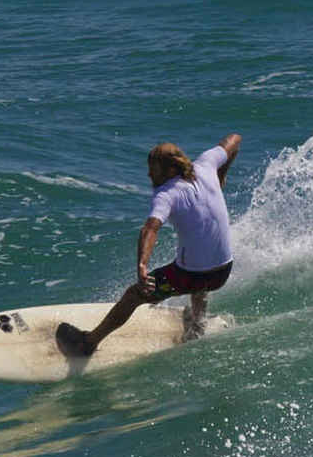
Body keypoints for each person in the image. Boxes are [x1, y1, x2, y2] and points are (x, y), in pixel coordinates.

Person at [56, 134, 242, 358]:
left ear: (170, 170)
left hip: (191, 277)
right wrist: (221, 174)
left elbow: (150, 229)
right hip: (223, 271)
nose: (148, 174)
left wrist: (142, 266)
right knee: (196, 268)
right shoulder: (207, 164)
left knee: (134, 295)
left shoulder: (166, 194)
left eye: (153, 170)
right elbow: (235, 139)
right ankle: (197, 326)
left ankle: (87, 343)